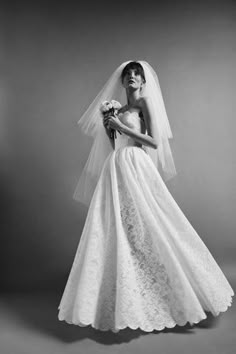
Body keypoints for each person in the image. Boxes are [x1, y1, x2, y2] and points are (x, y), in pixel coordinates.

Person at [57, 60, 234, 333]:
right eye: (128, 74)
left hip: (136, 165)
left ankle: (184, 291)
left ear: (143, 81)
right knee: (118, 227)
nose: (132, 77)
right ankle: (126, 298)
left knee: (152, 223)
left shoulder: (144, 105)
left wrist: (122, 126)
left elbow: (152, 141)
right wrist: (110, 126)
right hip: (116, 167)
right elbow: (116, 141)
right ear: (122, 81)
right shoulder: (121, 109)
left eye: (136, 74)